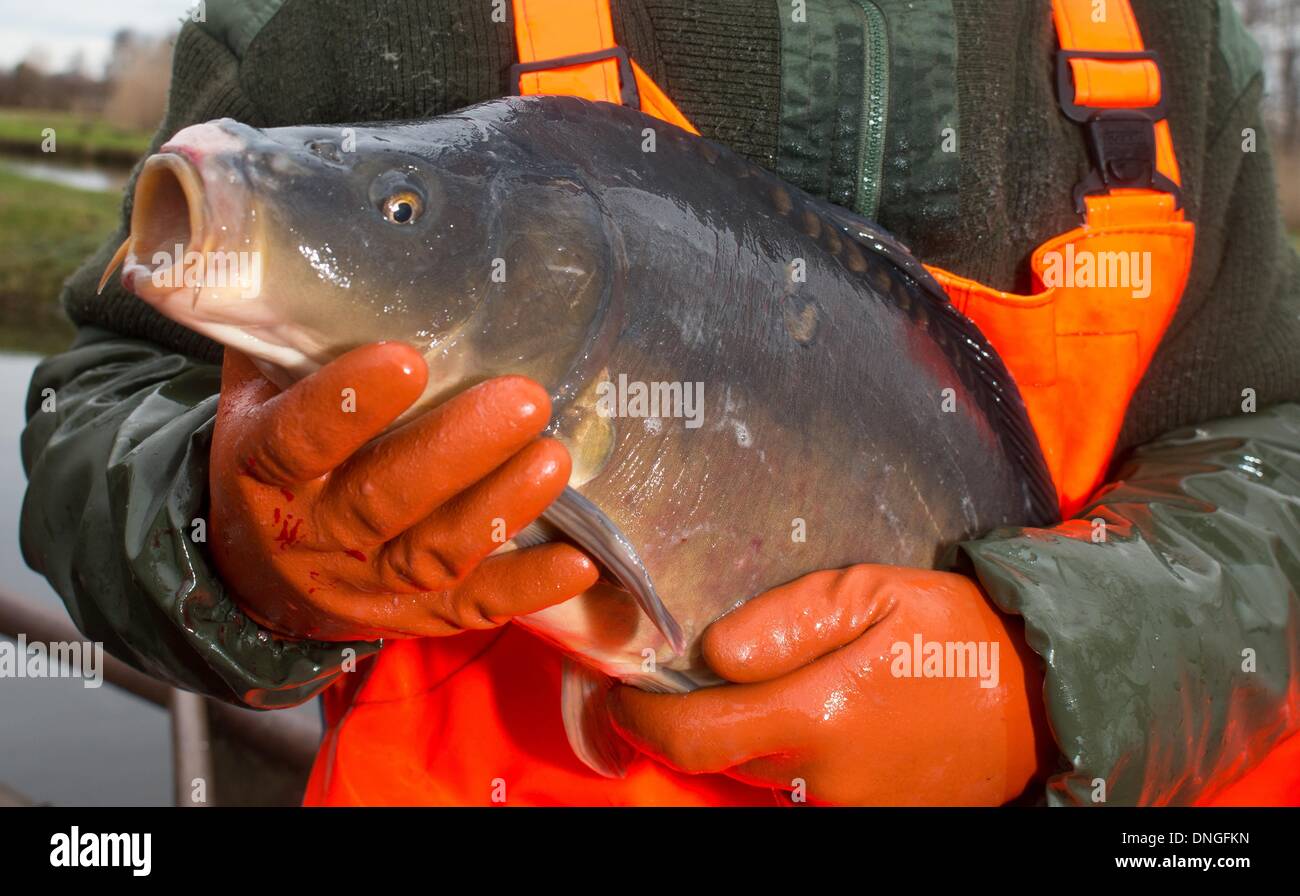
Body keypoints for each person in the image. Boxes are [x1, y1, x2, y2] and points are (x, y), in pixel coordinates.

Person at [20, 0, 1300, 805]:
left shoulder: (1179, 40)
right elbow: (104, 397)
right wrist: (225, 537)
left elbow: (1272, 445)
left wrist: (1054, 673)